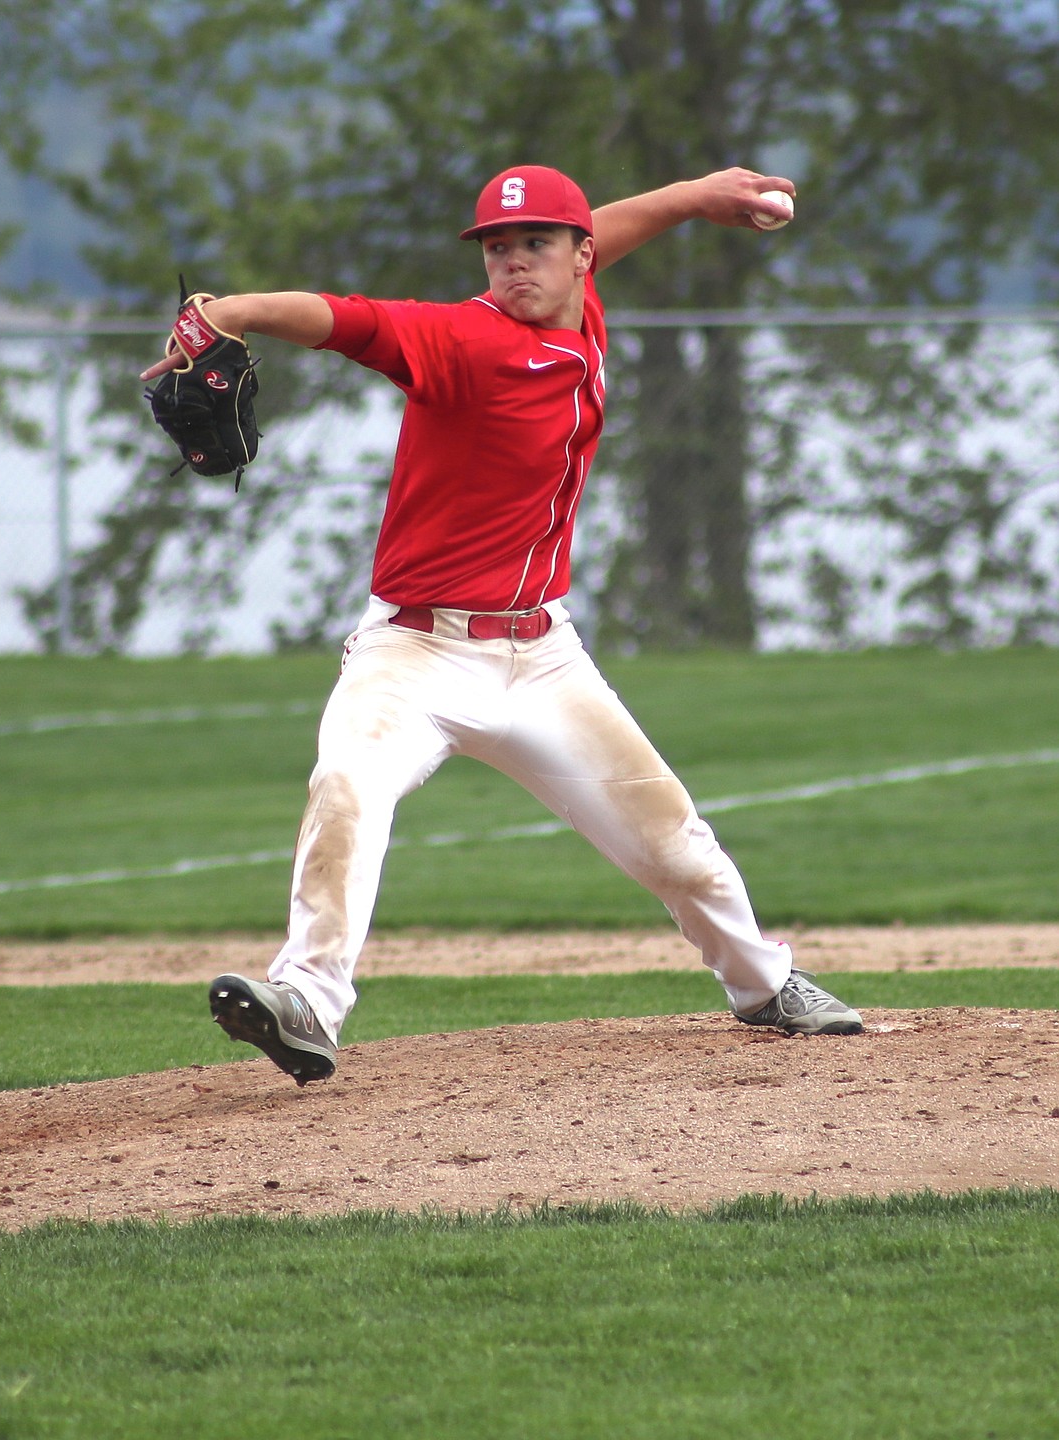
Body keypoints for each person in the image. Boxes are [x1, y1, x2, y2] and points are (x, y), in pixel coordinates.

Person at [141, 164, 863, 1086]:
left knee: (673, 840)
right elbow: (345, 317)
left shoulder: (582, 305)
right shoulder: (459, 340)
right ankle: (308, 1001)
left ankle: (764, 985)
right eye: (495, 246)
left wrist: (696, 196)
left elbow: (605, 227)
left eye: (534, 244)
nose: (513, 261)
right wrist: (234, 309)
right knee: (347, 785)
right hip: (415, 651)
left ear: (579, 259)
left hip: (544, 657)